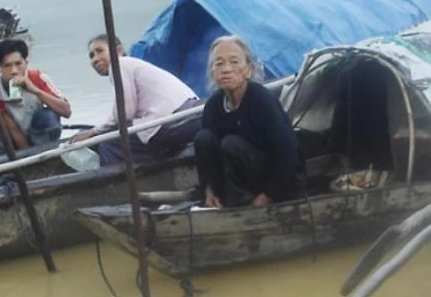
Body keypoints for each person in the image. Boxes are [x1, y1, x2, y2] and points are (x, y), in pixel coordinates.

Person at [194, 35, 304, 208]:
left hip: (270, 184)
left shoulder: (261, 101)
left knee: (231, 144)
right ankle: (219, 200)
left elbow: (288, 152)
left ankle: (242, 203)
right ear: (213, 72)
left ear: (249, 70)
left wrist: (268, 196)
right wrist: (209, 190)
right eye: (219, 63)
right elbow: (207, 154)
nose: (226, 69)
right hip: (236, 180)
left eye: (235, 62)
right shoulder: (213, 106)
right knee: (203, 138)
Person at [71, 35, 202, 165]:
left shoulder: (119, 64)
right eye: (91, 56)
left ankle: (115, 183)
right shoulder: (133, 64)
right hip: (189, 111)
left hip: (170, 123)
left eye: (100, 51)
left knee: (109, 143)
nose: (95, 59)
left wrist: (94, 132)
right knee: (123, 136)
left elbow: (124, 113)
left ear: (118, 51)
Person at [0, 39, 71, 159]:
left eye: (18, 64)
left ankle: (47, 156)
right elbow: (12, 127)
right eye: (7, 66)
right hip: (11, 141)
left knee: (48, 116)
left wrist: (35, 90)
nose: (14, 71)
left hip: (39, 134)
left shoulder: (38, 78)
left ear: (26, 63)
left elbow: (66, 111)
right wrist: (26, 155)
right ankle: (0, 164)